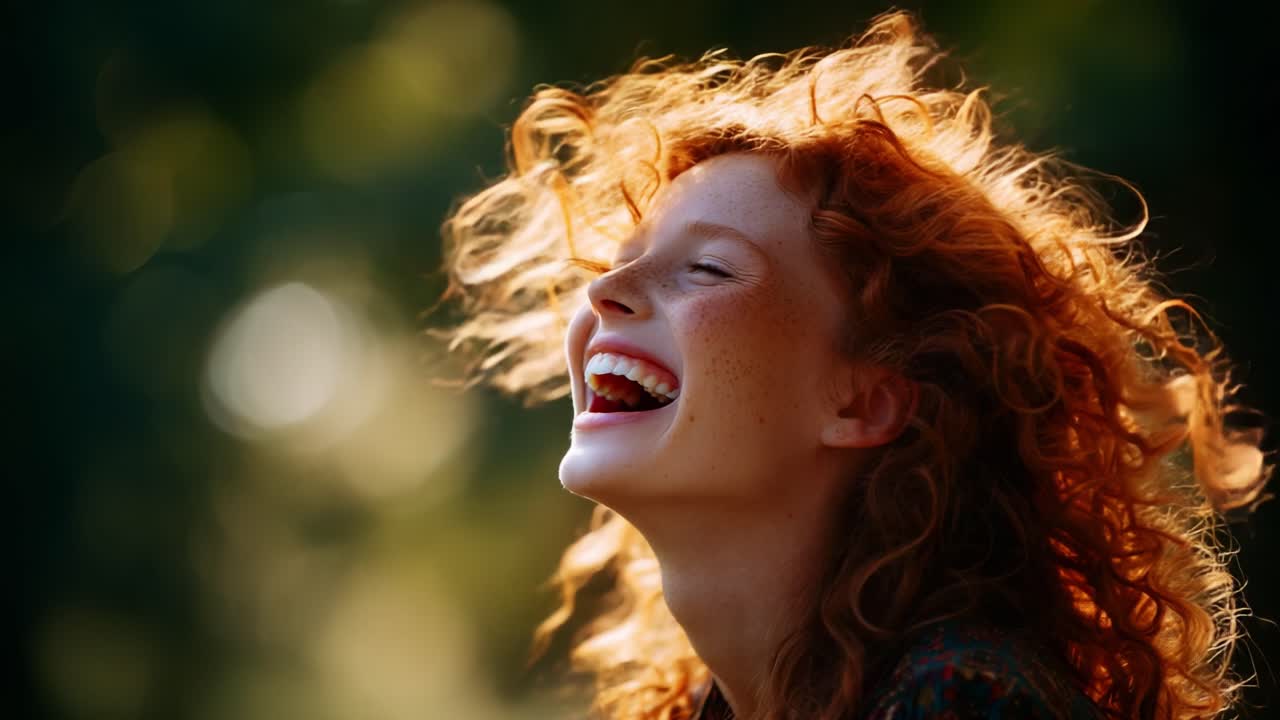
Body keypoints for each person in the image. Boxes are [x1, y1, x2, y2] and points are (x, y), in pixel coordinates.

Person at [439, 11, 1270, 720]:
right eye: (621, 258)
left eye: (708, 269)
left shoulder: (962, 694)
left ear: (867, 401)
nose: (609, 289)